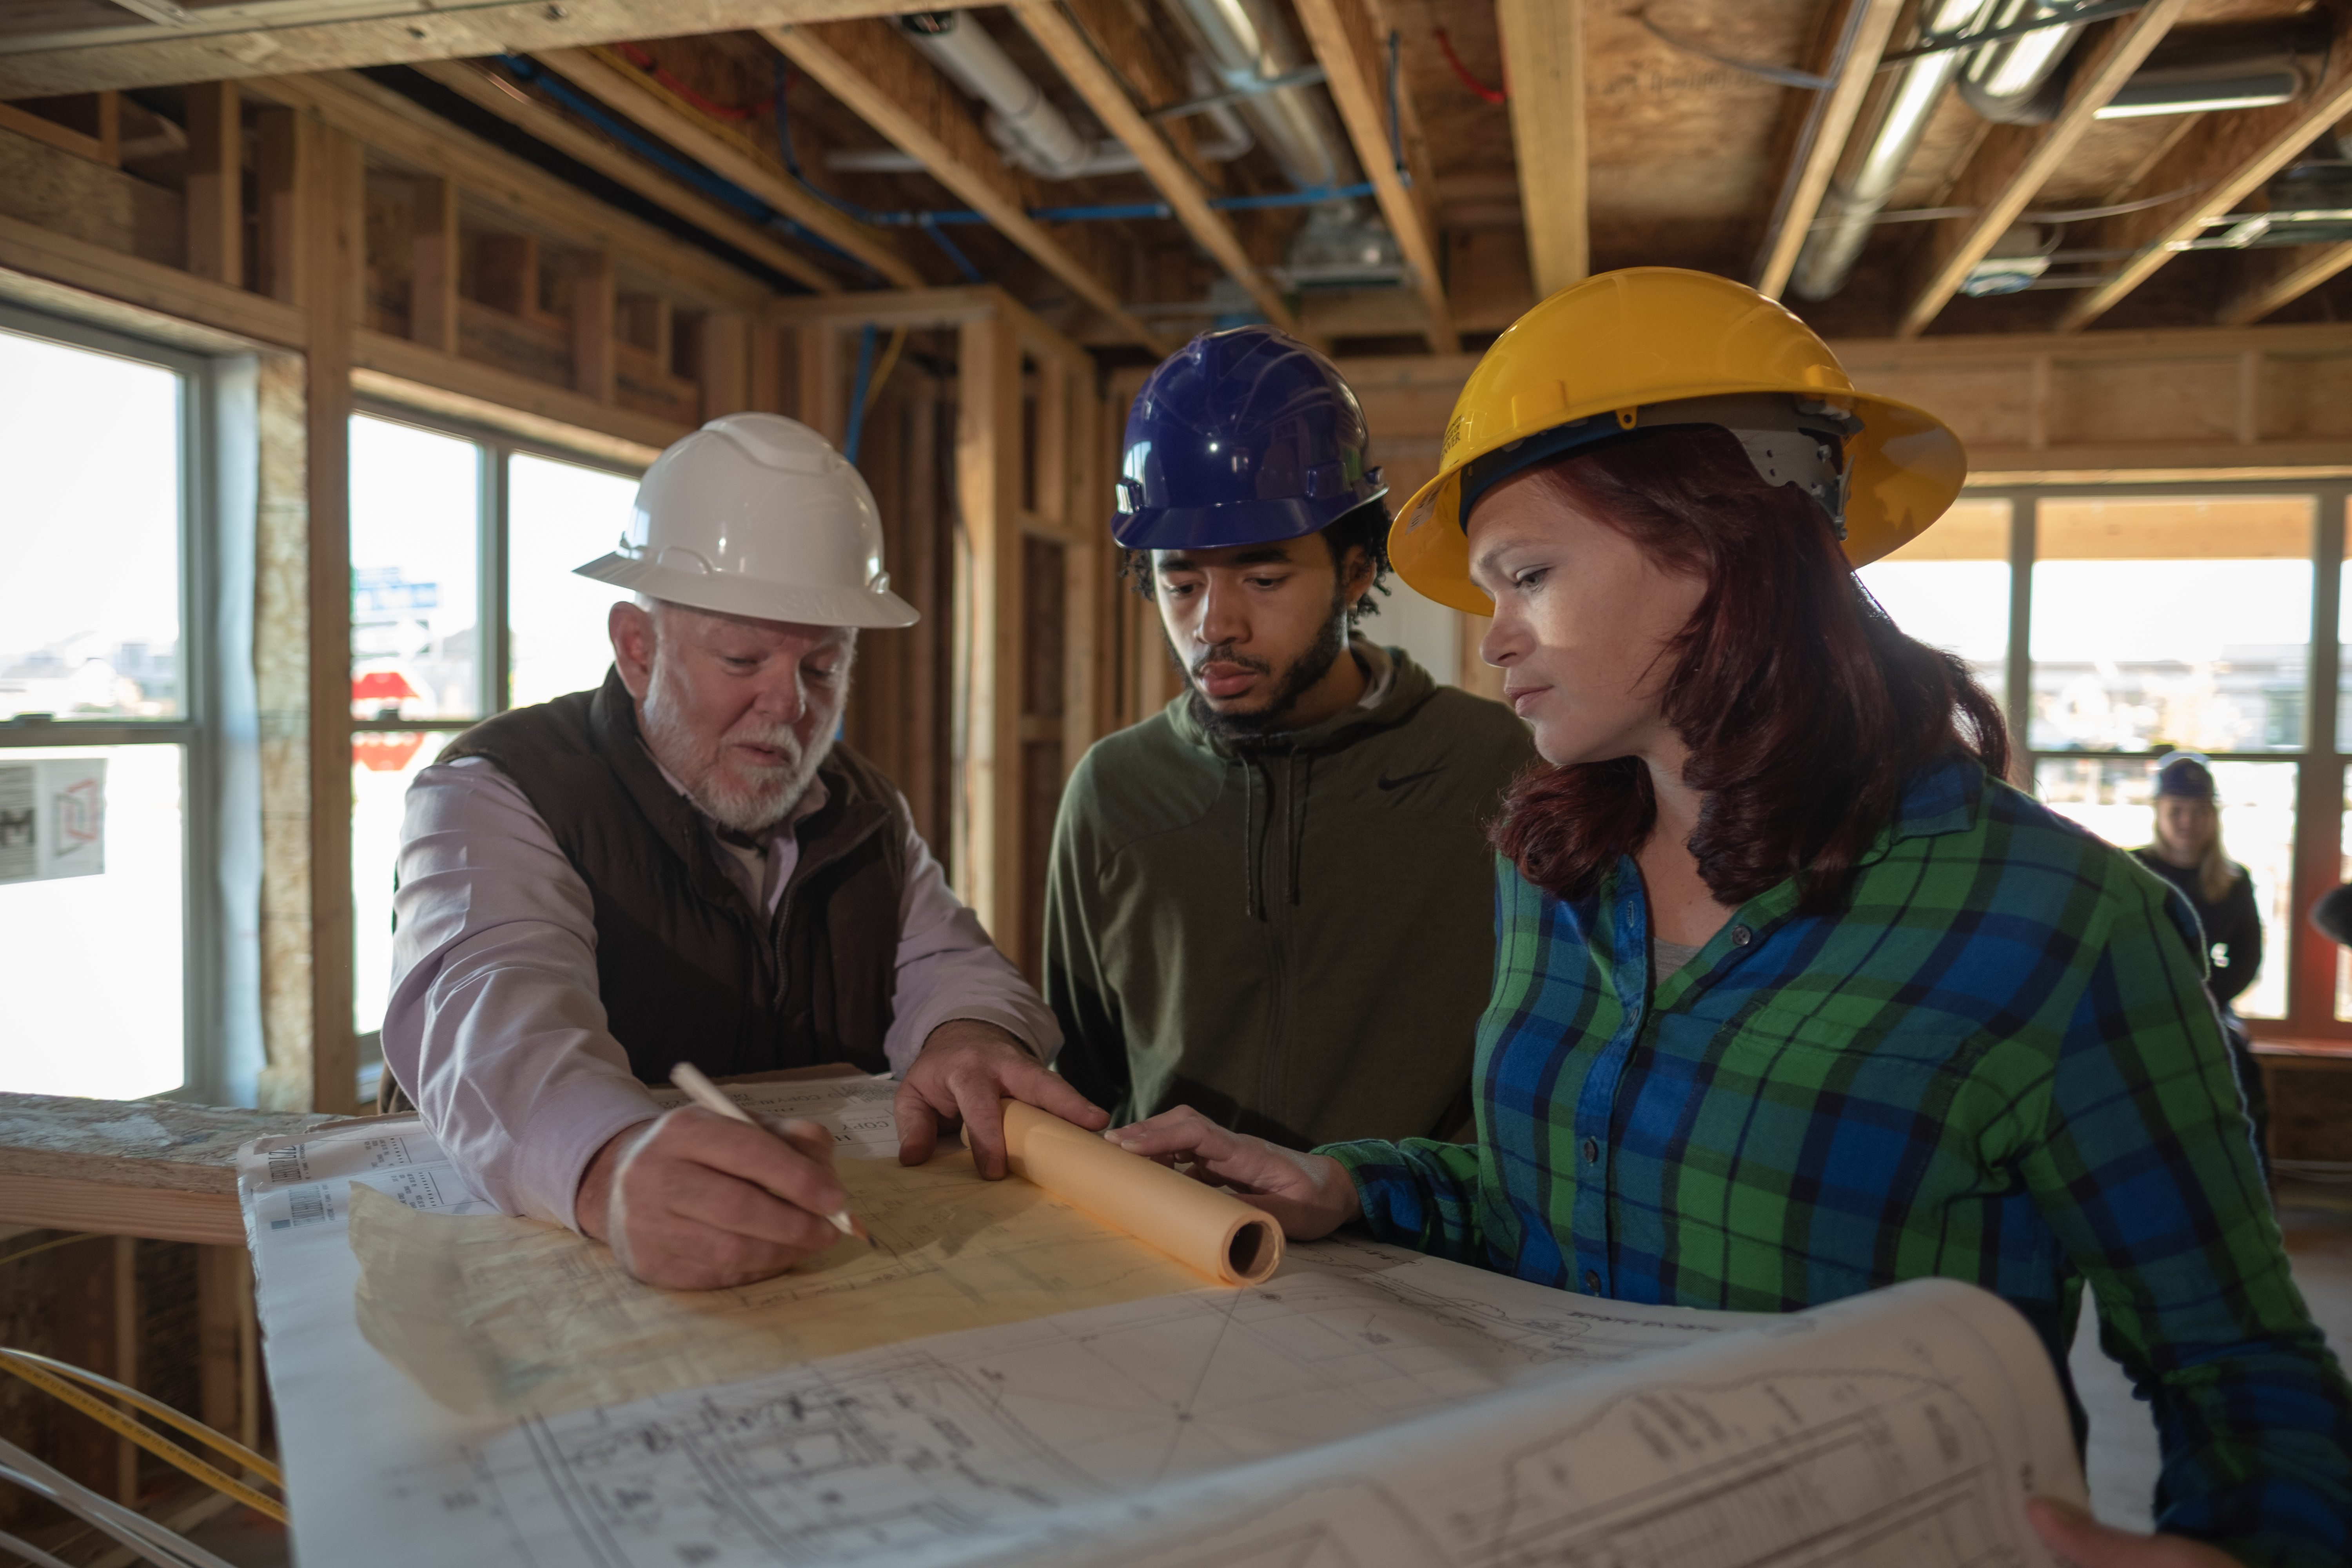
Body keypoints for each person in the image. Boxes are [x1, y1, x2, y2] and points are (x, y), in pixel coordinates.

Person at [1103, 270, 2352, 1567]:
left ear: (1720, 544)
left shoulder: (2062, 929)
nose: (1496, 642)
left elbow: (2244, 1373)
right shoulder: (1555, 873)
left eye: (1527, 575)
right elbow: (1553, 1206)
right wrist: (1347, 1182)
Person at [382, 414, 1102, 1290]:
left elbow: (952, 961)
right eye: (742, 656)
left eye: (824, 668)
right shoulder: (497, 791)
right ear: (637, 647)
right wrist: (609, 1164)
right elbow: (491, 1019)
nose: (788, 705)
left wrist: (970, 1034)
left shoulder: (864, 806)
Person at [1042, 326, 1535, 1149]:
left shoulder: (1490, 767)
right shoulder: (1114, 791)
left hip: (1428, 1259)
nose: (1215, 625)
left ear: (1354, 570)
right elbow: (1088, 1076)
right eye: (1182, 582)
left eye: (1264, 578)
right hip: (1183, 1248)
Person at [2132, 751, 2270, 1178]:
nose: (2187, 821)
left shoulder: (2234, 879)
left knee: (2245, 1092)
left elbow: (2248, 959)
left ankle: (2253, 1198)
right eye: (2176, 810)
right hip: (2143, 1011)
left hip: (2212, 1010)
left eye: (2197, 811)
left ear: (2212, 816)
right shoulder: (2132, 870)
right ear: (2158, 812)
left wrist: (2205, 998)